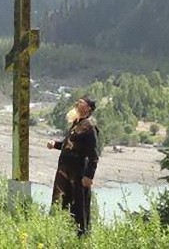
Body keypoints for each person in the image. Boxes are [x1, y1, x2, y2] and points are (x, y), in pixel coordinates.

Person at [47, 96, 100, 236]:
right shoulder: (77, 123)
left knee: (79, 206)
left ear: (88, 108)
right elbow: (69, 145)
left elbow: (93, 155)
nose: (77, 103)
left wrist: (89, 176)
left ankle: (81, 237)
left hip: (79, 173)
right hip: (65, 172)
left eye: (81, 102)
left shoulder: (90, 127)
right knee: (63, 203)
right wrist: (56, 145)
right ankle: (63, 233)